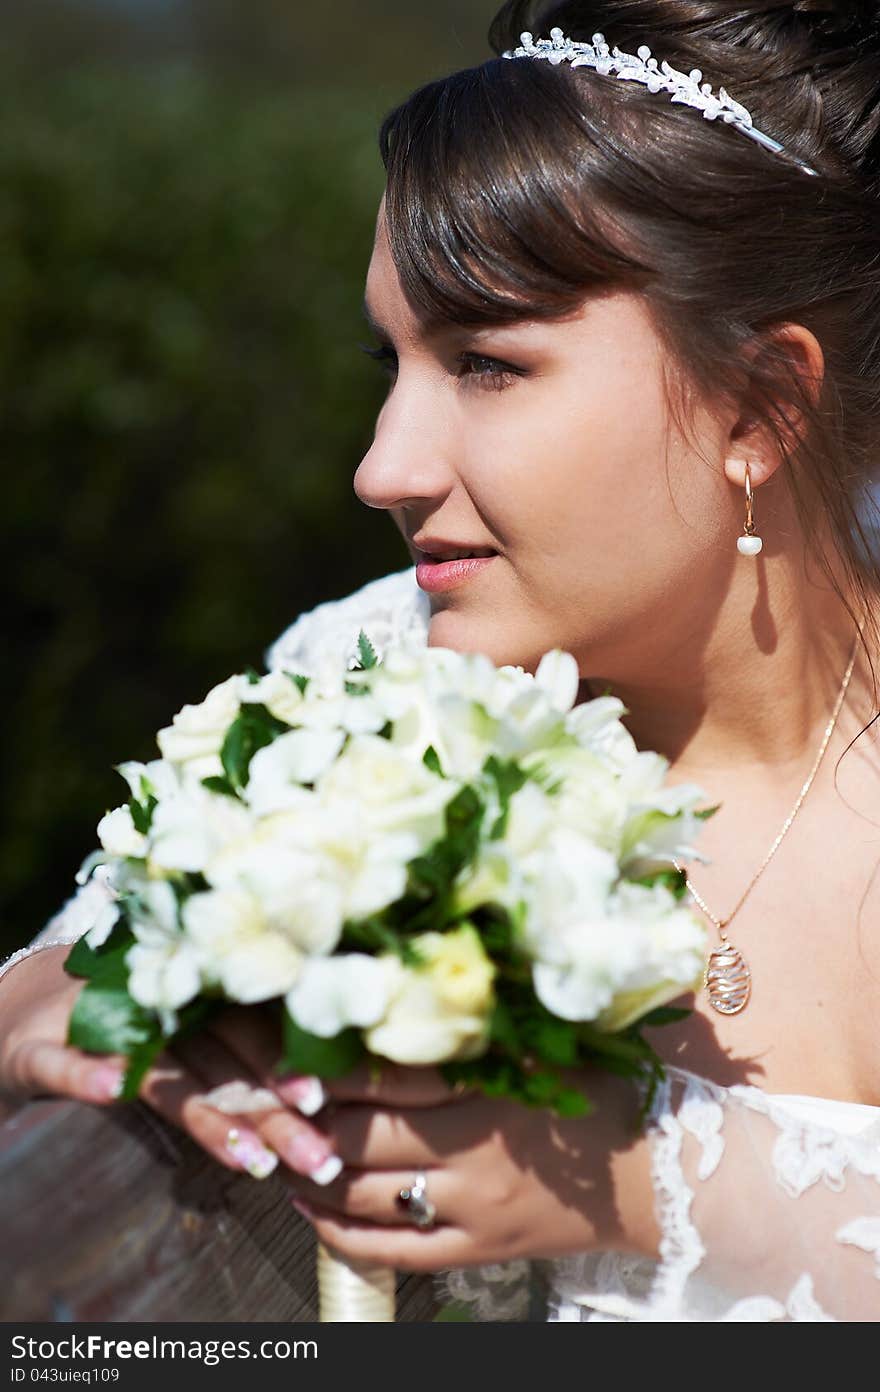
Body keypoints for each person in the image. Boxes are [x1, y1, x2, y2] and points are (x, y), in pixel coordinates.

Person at [2, 0, 880, 1321]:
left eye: (487, 362)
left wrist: (656, 1187)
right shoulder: (380, 674)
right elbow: (62, 967)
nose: (381, 469)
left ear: (759, 406)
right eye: (391, 360)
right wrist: (64, 1003)